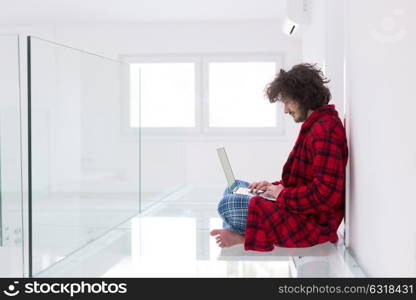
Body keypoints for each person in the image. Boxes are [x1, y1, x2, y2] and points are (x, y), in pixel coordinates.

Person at [210, 63, 348, 251]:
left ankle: (242, 236)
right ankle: (243, 233)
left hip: (313, 222)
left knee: (227, 205)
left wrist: (281, 194)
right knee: (234, 188)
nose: (285, 110)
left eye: (288, 102)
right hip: (299, 208)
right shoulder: (316, 126)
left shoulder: (324, 131)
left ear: (304, 97)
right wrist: (275, 187)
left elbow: (326, 195)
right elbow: (304, 180)